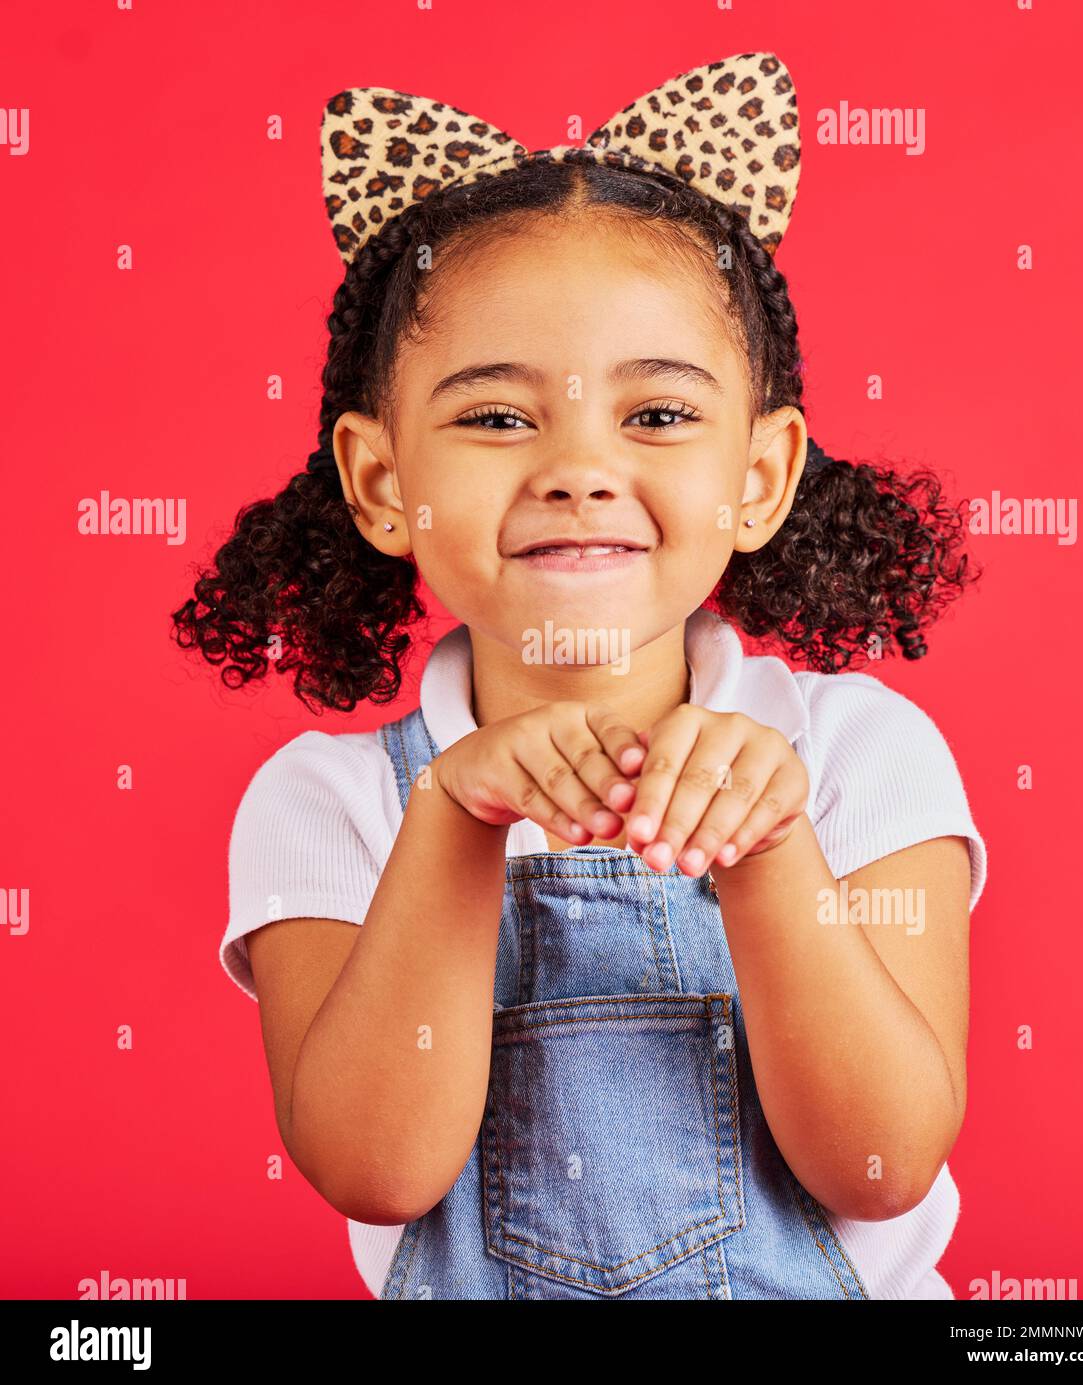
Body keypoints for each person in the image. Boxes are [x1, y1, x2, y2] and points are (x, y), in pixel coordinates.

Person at [172, 50, 988, 1300]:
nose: (577, 468)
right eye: (497, 418)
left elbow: (879, 1162)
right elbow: (375, 1168)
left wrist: (768, 848)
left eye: (656, 415)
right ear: (384, 483)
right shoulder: (332, 801)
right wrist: (453, 817)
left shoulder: (858, 754)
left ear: (760, 477)